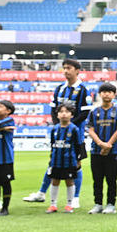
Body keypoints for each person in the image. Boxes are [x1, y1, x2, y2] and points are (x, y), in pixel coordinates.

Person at [24, 58, 92, 207]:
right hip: (59, 134)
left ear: (77, 70)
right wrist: (58, 126)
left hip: (76, 135)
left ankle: (75, 198)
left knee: (76, 165)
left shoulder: (83, 90)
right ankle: (41, 193)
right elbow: (54, 110)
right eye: (64, 68)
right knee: (53, 163)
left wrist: (68, 126)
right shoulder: (59, 88)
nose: (66, 71)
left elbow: (85, 113)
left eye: (69, 68)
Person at [86, 82, 117, 214]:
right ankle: (98, 204)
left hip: (112, 151)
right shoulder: (94, 112)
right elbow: (90, 130)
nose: (107, 94)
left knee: (111, 179)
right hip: (96, 150)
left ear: (114, 95)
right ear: (100, 94)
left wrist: (108, 144)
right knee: (97, 179)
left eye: (110, 92)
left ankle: (111, 204)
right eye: (104, 91)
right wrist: (101, 144)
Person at [46, 101, 85, 214]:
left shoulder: (74, 129)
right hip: (56, 161)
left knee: (69, 181)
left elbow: (78, 146)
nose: (64, 114)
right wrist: (50, 157)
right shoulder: (55, 129)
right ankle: (53, 205)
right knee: (54, 181)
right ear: (57, 115)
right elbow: (52, 145)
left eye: (67, 112)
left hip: (69, 161)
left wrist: (78, 160)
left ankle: (69, 205)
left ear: (71, 115)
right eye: (61, 112)